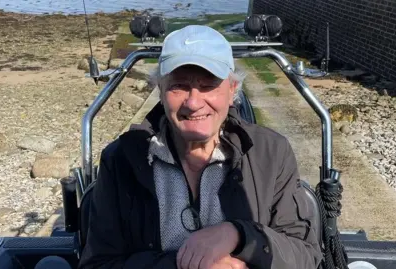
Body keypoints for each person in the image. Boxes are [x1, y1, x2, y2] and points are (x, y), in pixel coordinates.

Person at [78, 25, 323, 269]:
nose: (194, 103)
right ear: (160, 90)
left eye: (208, 86)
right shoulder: (121, 160)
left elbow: (304, 256)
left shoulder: (272, 153)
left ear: (232, 90)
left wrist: (239, 234)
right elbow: (97, 263)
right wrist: (186, 264)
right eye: (179, 86)